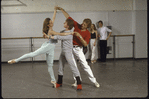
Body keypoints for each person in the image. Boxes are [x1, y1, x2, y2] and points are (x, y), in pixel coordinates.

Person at [7, 6, 73, 87]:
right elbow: (60, 34)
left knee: (50, 65)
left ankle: (53, 80)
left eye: (52, 21)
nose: (52, 22)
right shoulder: (51, 30)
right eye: (51, 22)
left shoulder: (51, 27)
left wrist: (55, 10)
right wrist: (69, 33)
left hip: (51, 48)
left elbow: (54, 17)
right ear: (48, 25)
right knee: (32, 54)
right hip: (48, 46)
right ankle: (16, 60)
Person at [56, 6, 100, 88]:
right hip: (70, 48)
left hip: (78, 49)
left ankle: (94, 81)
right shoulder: (77, 25)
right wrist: (62, 9)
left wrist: (79, 36)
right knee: (73, 65)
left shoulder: (87, 33)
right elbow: (68, 17)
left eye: (84, 25)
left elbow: (85, 44)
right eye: (82, 23)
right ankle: (77, 81)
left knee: (85, 65)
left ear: (87, 26)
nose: (82, 25)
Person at [44, 19, 82, 90]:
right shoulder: (63, 32)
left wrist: (48, 36)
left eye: (65, 23)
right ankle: (59, 82)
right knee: (60, 67)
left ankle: (79, 84)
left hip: (68, 52)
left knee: (73, 67)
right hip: (63, 52)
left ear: (67, 25)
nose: (63, 23)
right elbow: (58, 35)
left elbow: (59, 37)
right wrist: (50, 31)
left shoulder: (70, 34)